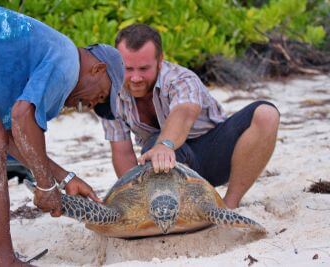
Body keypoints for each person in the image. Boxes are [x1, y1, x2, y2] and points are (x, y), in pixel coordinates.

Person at [0, 0, 124, 266]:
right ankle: (5, 260)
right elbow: (23, 117)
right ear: (98, 69)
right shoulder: (67, 64)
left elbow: (14, 135)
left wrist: (65, 178)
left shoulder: (52, 52)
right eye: (100, 95)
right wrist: (45, 185)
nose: (91, 104)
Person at [101, 23, 280, 210]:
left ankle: (230, 204)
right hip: (166, 167)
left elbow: (184, 112)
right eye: (128, 68)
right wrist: (133, 201)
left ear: (160, 60)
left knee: (266, 114)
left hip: (215, 153)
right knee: (153, 146)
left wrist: (165, 145)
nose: (135, 78)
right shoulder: (110, 95)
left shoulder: (180, 78)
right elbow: (123, 152)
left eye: (144, 69)